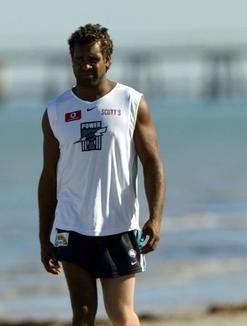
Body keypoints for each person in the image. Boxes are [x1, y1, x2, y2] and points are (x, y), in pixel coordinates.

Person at [38, 24, 165, 326]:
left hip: (119, 224)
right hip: (72, 225)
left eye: (92, 59)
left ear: (107, 60)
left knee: (120, 313)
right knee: (82, 315)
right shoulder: (56, 111)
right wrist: (44, 237)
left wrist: (155, 217)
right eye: (79, 59)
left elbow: (152, 163)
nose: (85, 65)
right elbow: (47, 176)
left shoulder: (131, 102)